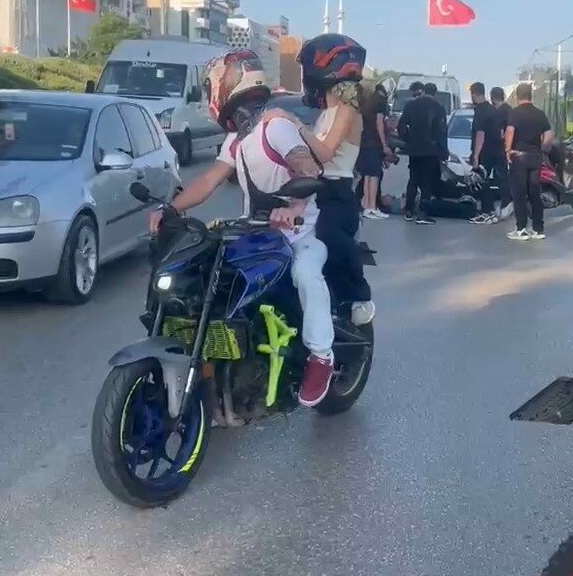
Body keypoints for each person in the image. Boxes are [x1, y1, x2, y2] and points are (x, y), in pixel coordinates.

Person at [147, 50, 337, 410]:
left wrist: (293, 208)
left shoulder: (274, 128)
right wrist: (171, 209)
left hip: (300, 236)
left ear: (228, 85)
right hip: (259, 237)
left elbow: (305, 166)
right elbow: (208, 181)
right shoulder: (236, 140)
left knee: (306, 273)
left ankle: (321, 356)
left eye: (211, 88)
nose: (210, 96)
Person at [294, 33, 375, 327]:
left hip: (337, 191)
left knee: (329, 237)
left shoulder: (347, 111)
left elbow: (326, 152)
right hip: (316, 188)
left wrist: (296, 126)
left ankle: (360, 296)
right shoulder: (326, 113)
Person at [504, 83, 553, 241]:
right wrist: (544, 146)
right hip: (535, 157)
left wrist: (508, 150)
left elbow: (510, 131)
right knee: (534, 193)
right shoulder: (540, 114)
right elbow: (549, 133)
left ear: (517, 96)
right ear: (531, 95)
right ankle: (538, 229)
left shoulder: (515, 113)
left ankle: (521, 229)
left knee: (519, 193)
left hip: (519, 157)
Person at [397, 81, 447, 224]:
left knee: (413, 178)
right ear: (435, 93)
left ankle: (408, 210)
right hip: (431, 150)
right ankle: (423, 213)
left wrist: (407, 139)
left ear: (424, 91)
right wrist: (443, 150)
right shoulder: (438, 107)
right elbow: (442, 131)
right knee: (427, 181)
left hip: (414, 148)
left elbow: (401, 125)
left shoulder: (411, 105)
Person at [468, 83, 511, 225]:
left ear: (474, 94)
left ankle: (487, 212)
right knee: (499, 180)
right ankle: (497, 209)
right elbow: (502, 131)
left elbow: (480, 134)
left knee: (481, 181)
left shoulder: (480, 111)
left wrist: (476, 155)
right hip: (498, 150)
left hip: (485, 152)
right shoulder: (493, 110)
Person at [357, 84, 394, 219]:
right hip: (374, 142)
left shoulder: (367, 102)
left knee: (367, 175)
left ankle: (367, 205)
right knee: (374, 175)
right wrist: (384, 144)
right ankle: (372, 207)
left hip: (364, 142)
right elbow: (379, 123)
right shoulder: (380, 102)